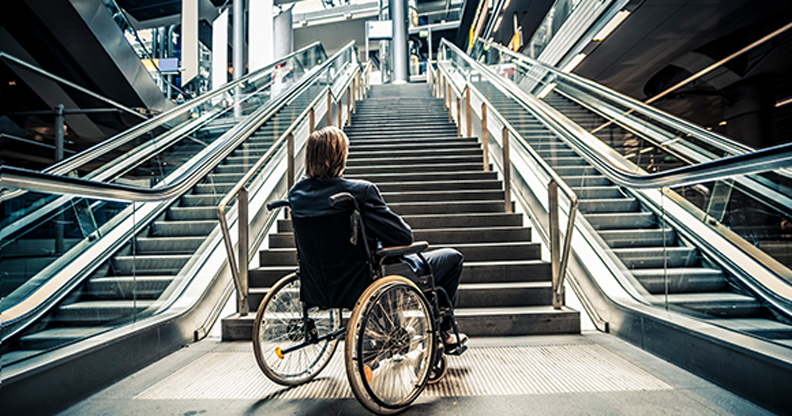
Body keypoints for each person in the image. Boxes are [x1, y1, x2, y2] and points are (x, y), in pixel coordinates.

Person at [288, 126, 468, 347]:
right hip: (364, 277)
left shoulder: (297, 194)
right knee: (452, 258)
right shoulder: (359, 192)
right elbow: (403, 237)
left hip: (320, 280)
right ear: (340, 157)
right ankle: (443, 332)